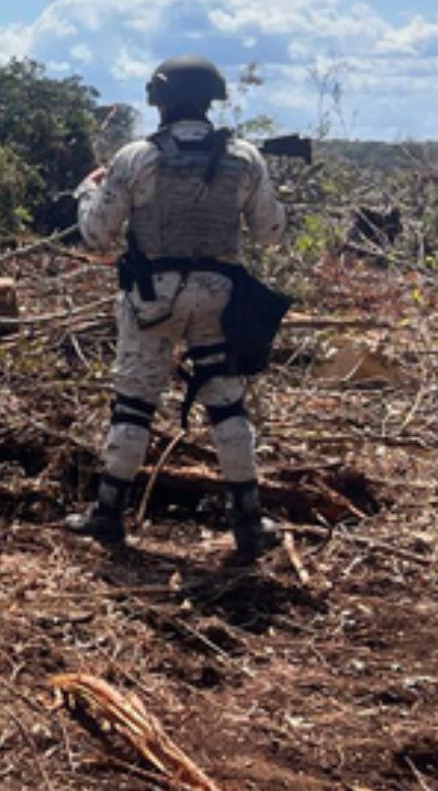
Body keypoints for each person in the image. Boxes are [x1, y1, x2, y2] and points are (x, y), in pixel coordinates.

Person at [64, 55, 288, 563]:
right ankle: (249, 520)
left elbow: (97, 235)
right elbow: (271, 232)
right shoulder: (245, 157)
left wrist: (87, 191)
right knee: (227, 403)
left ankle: (108, 513)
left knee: (134, 403)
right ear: (210, 100)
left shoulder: (136, 157)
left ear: (159, 99)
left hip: (152, 298)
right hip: (220, 296)